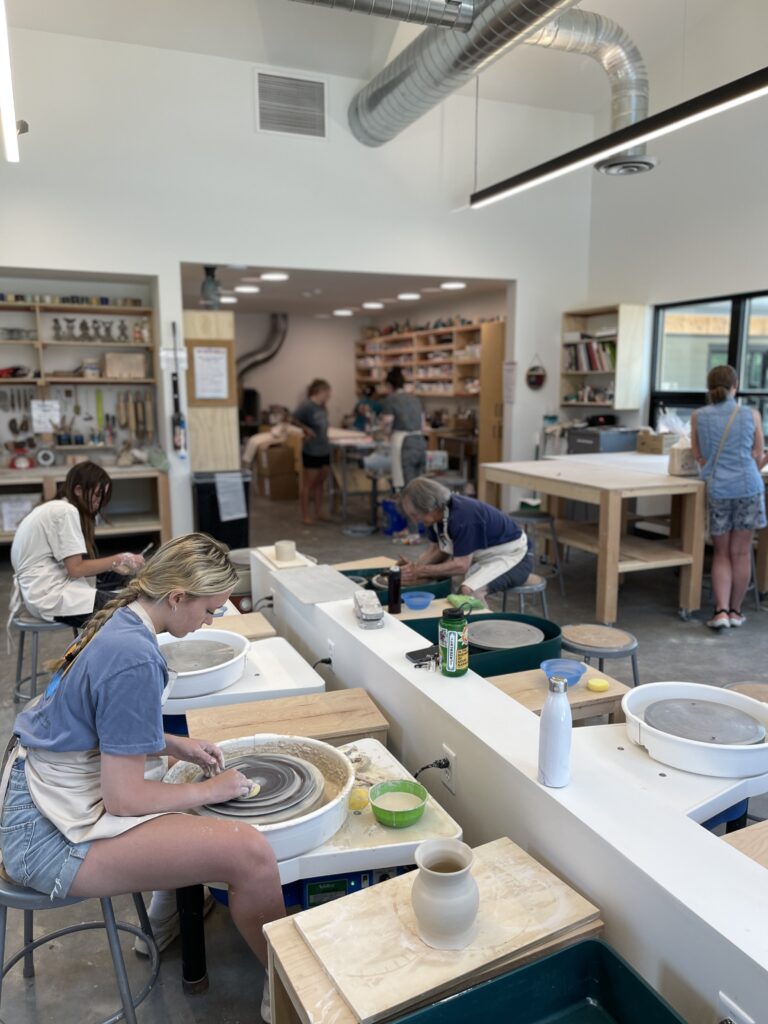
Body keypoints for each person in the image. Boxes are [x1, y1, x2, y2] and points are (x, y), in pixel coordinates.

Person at [0, 533, 285, 1022]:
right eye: (211, 610)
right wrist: (212, 787)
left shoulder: (123, 615)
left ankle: (167, 913)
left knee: (178, 785)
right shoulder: (133, 656)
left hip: (37, 787)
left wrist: (175, 744)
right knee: (251, 853)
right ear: (177, 597)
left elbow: (95, 721)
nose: (210, 621)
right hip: (40, 835)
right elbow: (125, 798)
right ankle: (288, 995)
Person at [10, 461, 146, 629]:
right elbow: (76, 568)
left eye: (102, 498)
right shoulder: (65, 511)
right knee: (137, 611)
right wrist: (119, 559)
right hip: (48, 595)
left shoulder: (57, 507)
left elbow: (75, 566)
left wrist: (114, 566)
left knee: (120, 579)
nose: (98, 503)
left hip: (42, 587)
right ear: (79, 490)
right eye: (96, 496)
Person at [690, 364, 767, 630]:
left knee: (721, 553)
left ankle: (720, 611)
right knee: (742, 552)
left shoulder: (698, 415)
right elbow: (758, 456)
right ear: (735, 386)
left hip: (719, 489)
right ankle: (736, 611)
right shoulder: (751, 414)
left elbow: (698, 456)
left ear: (709, 387)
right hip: (748, 487)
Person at [398, 477, 532, 606]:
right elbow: (437, 550)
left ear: (430, 506)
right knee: (441, 582)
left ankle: (482, 628)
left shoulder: (464, 517)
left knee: (469, 592)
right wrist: (412, 569)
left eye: (415, 515)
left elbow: (461, 565)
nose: (414, 521)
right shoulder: (436, 517)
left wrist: (420, 570)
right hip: (482, 557)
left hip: (514, 558)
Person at [379, 367, 426, 544]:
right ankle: (420, 529)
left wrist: (384, 432)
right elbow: (422, 423)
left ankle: (413, 533)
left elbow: (387, 424)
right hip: (420, 442)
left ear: (390, 385)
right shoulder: (415, 399)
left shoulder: (391, 400)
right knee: (421, 489)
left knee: (406, 491)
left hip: (404, 444)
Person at [293, 379, 332, 526]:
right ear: (320, 392)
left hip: (324, 449)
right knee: (309, 483)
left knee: (321, 482)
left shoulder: (322, 407)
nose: (329, 395)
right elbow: (292, 419)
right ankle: (305, 515)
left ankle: (319, 511)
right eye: (327, 392)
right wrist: (305, 429)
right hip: (312, 450)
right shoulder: (306, 406)